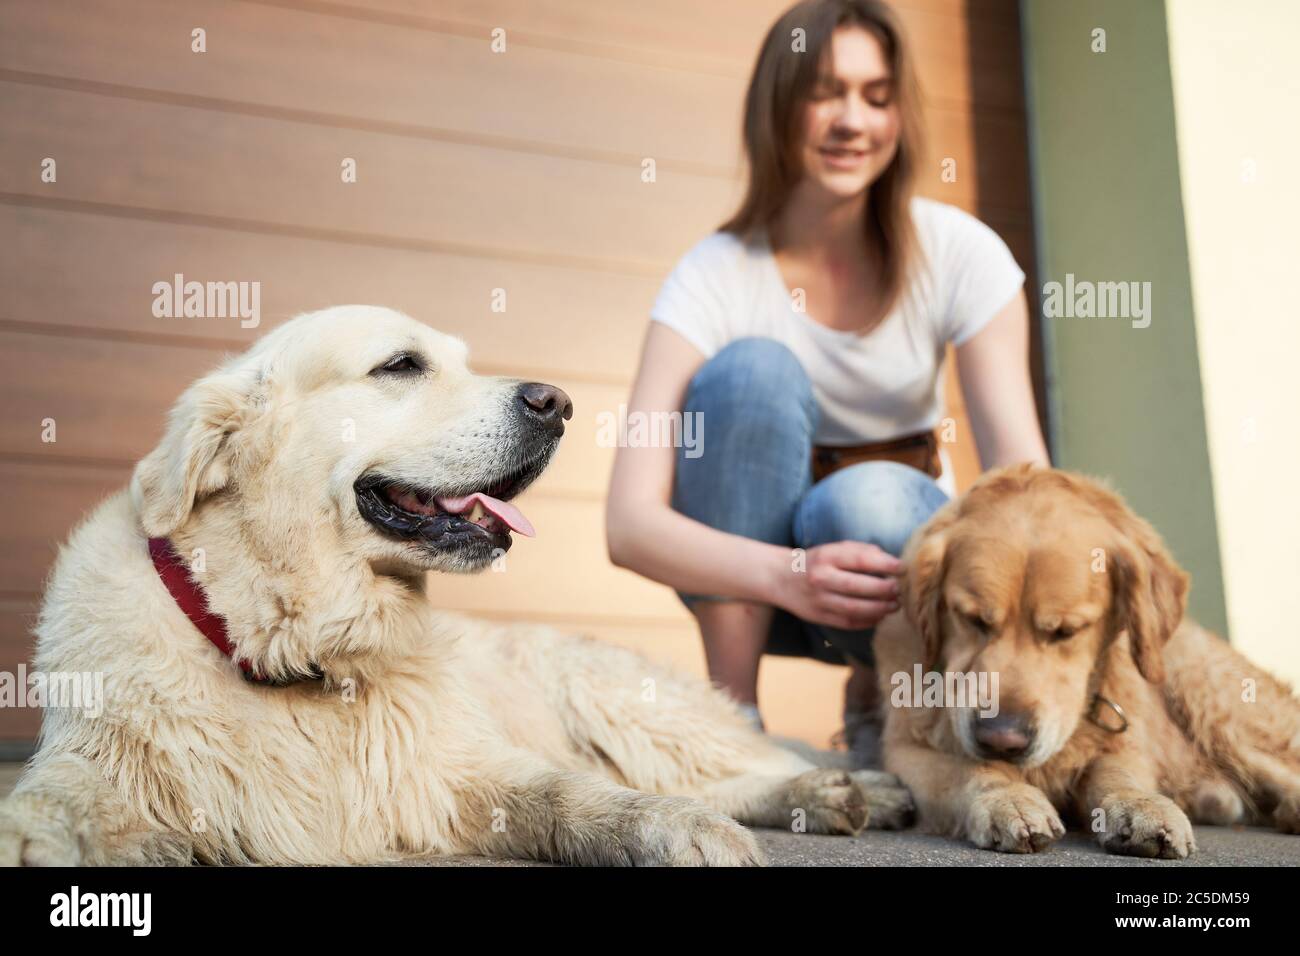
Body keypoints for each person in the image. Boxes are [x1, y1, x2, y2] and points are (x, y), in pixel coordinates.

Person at [605, 0, 1049, 753]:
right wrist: (790, 574)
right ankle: (733, 719)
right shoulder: (712, 276)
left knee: (866, 496)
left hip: (896, 582)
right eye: (825, 91)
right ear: (778, 105)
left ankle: (886, 698)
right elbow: (628, 523)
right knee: (749, 372)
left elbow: (1028, 491)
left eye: (877, 97)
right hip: (761, 590)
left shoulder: (962, 255)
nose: (853, 120)